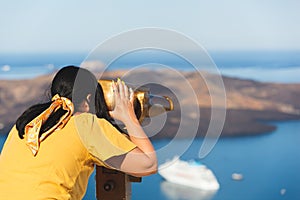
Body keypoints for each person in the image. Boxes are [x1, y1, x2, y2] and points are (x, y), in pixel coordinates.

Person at [0, 66, 157, 199]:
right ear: (88, 100)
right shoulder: (86, 125)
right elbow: (148, 164)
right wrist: (129, 117)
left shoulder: (27, 122)